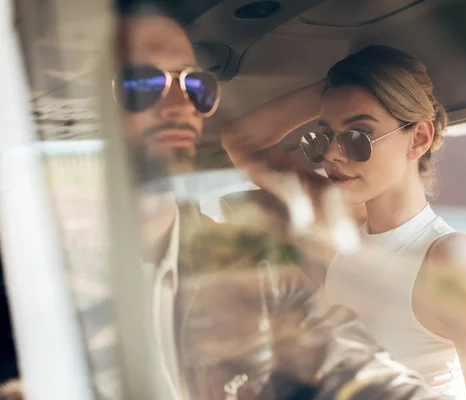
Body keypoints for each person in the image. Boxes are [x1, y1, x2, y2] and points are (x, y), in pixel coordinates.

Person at [69, 3, 446, 399]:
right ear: (93, 99)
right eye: (142, 84)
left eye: (196, 86)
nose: (179, 106)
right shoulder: (41, 273)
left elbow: (356, 371)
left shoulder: (254, 272)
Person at [222, 46, 466, 398]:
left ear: (418, 138)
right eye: (326, 135)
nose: (332, 154)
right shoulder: (339, 223)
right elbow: (242, 142)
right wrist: (335, 86)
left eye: (357, 137)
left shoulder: (449, 258)